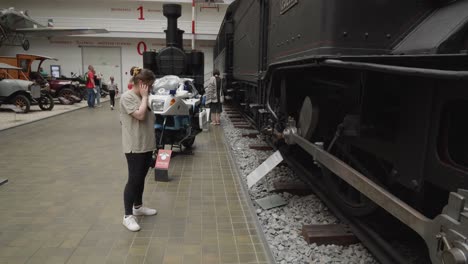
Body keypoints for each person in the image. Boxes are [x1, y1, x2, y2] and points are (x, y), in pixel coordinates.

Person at [120, 68, 157, 232]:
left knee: (141, 178)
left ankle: (138, 206)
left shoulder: (143, 97)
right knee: (133, 179)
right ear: (142, 84)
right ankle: (128, 216)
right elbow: (140, 115)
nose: (151, 88)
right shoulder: (127, 97)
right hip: (134, 146)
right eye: (150, 85)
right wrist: (144, 97)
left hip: (146, 144)